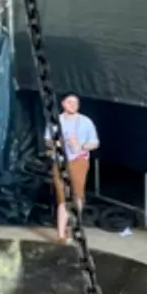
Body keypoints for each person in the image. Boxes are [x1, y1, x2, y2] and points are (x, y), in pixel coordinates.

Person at [50, 93, 99, 243]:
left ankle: (73, 227)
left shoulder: (86, 122)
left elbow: (95, 143)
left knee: (77, 196)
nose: (74, 105)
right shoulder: (55, 122)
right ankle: (61, 235)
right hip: (60, 161)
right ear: (63, 104)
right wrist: (58, 144)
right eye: (70, 102)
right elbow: (48, 141)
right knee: (62, 197)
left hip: (79, 161)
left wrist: (80, 146)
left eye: (76, 102)